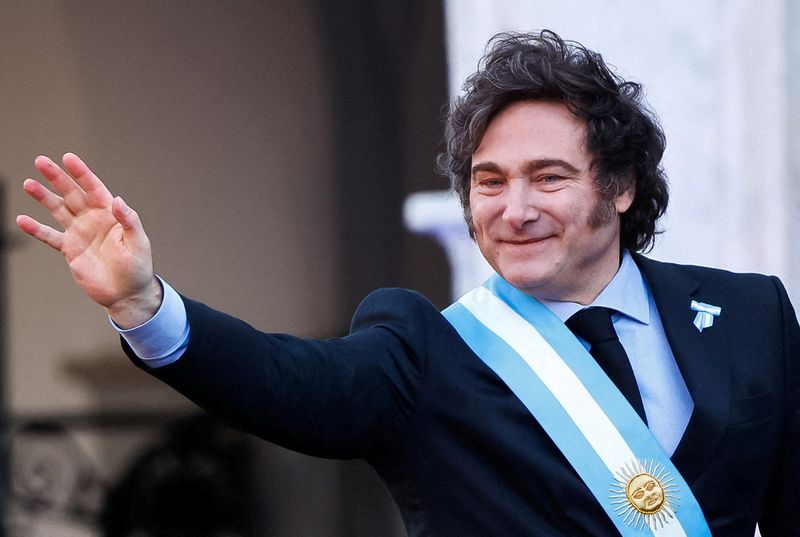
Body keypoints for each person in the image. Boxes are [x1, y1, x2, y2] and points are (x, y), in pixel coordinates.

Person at [17, 30, 799, 536]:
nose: (514, 209)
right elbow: (290, 382)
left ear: (621, 186)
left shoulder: (747, 316)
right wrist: (143, 304)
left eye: (548, 177)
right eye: (489, 182)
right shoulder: (425, 350)